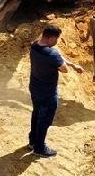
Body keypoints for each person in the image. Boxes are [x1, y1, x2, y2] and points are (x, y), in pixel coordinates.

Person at [28, 25, 84, 157]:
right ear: (52, 38)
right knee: (45, 119)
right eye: (57, 38)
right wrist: (68, 66)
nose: (57, 41)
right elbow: (63, 69)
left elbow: (56, 57)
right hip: (47, 92)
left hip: (35, 87)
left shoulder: (34, 45)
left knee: (36, 113)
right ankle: (39, 148)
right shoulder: (51, 54)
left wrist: (73, 64)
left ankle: (32, 141)